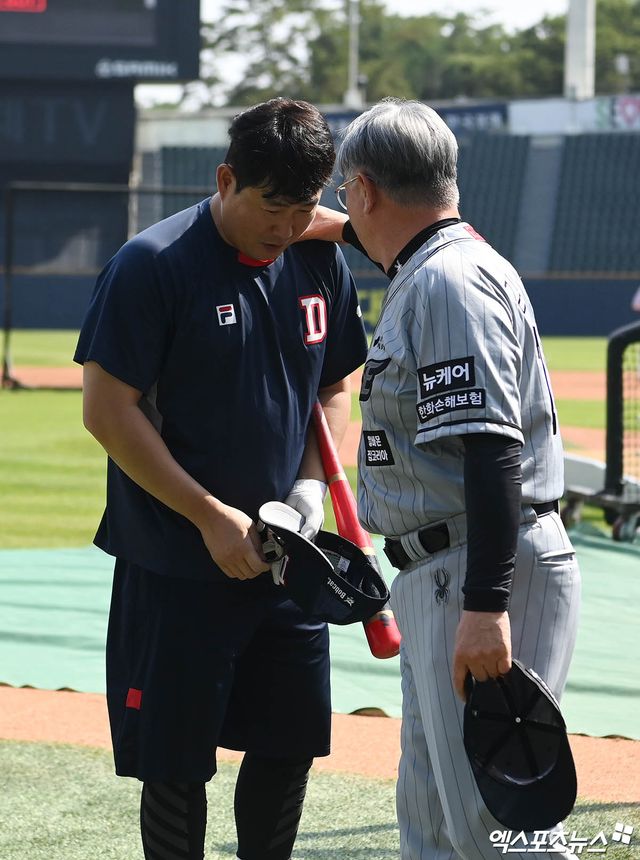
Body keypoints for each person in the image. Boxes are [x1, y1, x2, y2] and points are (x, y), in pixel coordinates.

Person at [74, 97, 367, 860]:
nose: (286, 226)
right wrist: (208, 516)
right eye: (272, 206)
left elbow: (338, 386)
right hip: (177, 562)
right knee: (174, 765)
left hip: (289, 561)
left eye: (305, 207)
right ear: (226, 178)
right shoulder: (151, 264)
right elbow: (108, 411)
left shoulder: (317, 254)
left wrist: (309, 496)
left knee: (288, 746)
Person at [324, 98, 582, 859]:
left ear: (367, 188)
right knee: (434, 826)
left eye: (347, 192)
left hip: (476, 572)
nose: (346, 208)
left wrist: (485, 607)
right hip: (443, 569)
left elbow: (492, 451)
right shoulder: (435, 264)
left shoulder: (447, 284)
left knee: (499, 831)